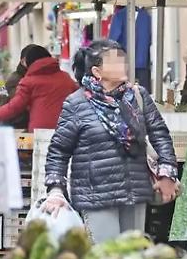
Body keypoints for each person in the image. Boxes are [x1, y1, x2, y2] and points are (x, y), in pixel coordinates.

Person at [43, 38, 179, 242]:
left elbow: (160, 134)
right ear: (97, 72)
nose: (122, 65)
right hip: (96, 195)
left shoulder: (137, 96)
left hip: (135, 192)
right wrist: (55, 190)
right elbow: (59, 151)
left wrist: (167, 173)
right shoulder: (76, 103)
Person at [0, 45, 77, 132]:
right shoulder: (65, 77)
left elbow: (15, 106)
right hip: (66, 129)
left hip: (40, 132)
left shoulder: (28, 81)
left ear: (29, 63)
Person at [108, 5, 153, 91]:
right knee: (143, 96)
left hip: (123, 65)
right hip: (143, 63)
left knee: (122, 95)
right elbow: (150, 40)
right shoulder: (146, 17)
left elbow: (112, 41)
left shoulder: (119, 16)